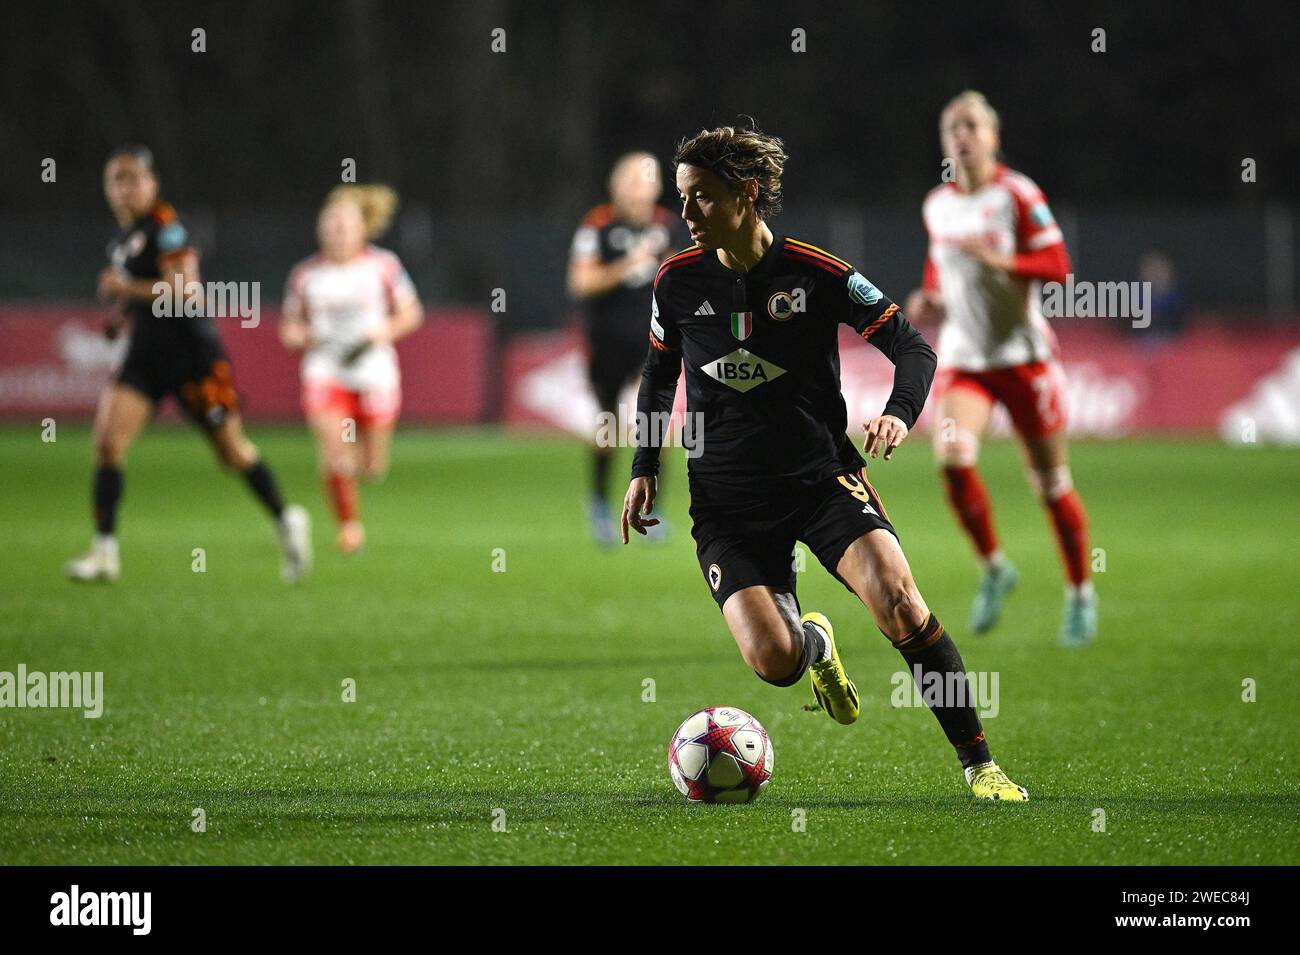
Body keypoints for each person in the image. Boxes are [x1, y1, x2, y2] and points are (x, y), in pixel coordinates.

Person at [623, 123, 1028, 801]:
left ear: (747, 195)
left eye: (701, 198)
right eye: (682, 197)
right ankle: (812, 645)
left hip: (820, 481)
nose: (686, 214)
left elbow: (912, 346)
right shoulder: (675, 283)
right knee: (775, 663)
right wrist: (644, 466)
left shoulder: (817, 272)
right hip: (727, 505)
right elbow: (658, 377)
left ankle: (980, 765)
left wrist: (899, 411)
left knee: (900, 601)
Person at [65, 145, 311, 584]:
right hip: (145, 357)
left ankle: (286, 518)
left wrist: (125, 287)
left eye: (134, 179)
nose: (125, 189)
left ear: (153, 184)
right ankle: (105, 551)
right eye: (116, 180)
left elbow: (184, 292)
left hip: (193, 357)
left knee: (232, 453)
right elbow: (145, 296)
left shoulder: (166, 228)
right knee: (107, 443)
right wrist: (120, 318)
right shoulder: (126, 239)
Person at [906, 91, 1097, 646]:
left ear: (992, 136)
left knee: (1050, 484)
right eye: (951, 128)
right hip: (967, 361)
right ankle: (994, 568)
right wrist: (932, 299)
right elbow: (939, 265)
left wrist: (1005, 260)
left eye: (970, 125)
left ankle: (1080, 593)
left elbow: (1059, 267)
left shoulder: (1017, 194)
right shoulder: (936, 205)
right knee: (952, 461)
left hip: (1024, 360)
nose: (961, 136)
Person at [279, 185, 423, 554]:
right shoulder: (306, 275)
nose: (337, 231)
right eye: (331, 224)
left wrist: (383, 331)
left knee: (372, 467)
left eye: (344, 224)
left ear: (362, 229)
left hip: (373, 371)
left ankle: (355, 475)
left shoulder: (383, 266)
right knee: (336, 452)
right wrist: (303, 336)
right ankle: (348, 527)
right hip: (326, 371)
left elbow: (411, 312)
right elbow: (289, 327)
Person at [567, 152, 680, 545]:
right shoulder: (596, 227)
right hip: (607, 343)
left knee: (658, 427)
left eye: (645, 180)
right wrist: (625, 266)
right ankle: (599, 503)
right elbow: (580, 283)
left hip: (653, 343)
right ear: (616, 186)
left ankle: (652, 510)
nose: (638, 188)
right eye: (631, 180)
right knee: (607, 426)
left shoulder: (668, 227)